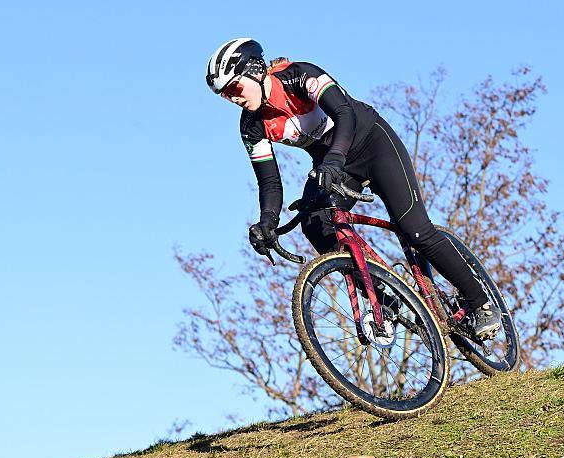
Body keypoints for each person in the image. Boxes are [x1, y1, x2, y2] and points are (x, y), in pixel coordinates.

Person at [205, 38, 501, 340]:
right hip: (334, 164)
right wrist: (267, 221)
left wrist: (333, 160)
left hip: (372, 143)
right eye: (224, 96)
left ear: (255, 71)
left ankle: (480, 303)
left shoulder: (300, 75)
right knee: (315, 224)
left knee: (415, 230)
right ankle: (385, 297)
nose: (232, 98)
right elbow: (269, 181)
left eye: (234, 88)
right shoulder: (251, 127)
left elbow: (344, 113)